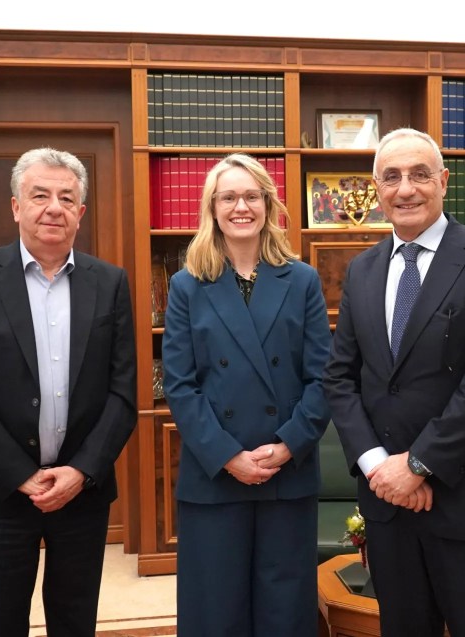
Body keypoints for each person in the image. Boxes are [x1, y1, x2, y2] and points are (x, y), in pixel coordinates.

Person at [323, 128, 465, 637]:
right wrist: (379, 467)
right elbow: (340, 376)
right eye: (392, 177)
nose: (406, 189)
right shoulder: (362, 270)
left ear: (443, 181)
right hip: (390, 507)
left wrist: (419, 464)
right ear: (377, 190)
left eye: (419, 174)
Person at [0, 147, 137, 637]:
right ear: (15, 206)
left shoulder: (110, 282)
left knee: (75, 622)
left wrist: (82, 472)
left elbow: (123, 392)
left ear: (80, 212)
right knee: (1, 623)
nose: (54, 208)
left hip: (80, 493)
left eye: (66, 198)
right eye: (40, 195)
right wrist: (21, 475)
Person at [162, 153, 331, 637]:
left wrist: (288, 444)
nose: (241, 207)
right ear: (212, 208)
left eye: (252, 196)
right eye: (229, 197)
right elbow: (180, 384)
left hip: (286, 473)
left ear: (268, 205)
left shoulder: (302, 279)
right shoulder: (187, 285)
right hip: (215, 474)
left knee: (285, 613)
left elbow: (323, 378)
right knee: (216, 613)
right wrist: (229, 456)